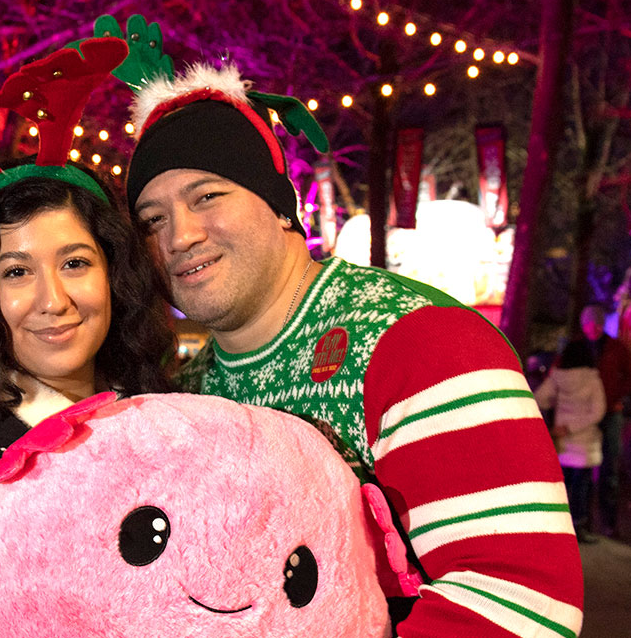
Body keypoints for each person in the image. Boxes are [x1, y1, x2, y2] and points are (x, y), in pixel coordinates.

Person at [127, 62, 584, 637]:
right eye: (152, 219)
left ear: (277, 202)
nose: (179, 236)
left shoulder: (419, 341)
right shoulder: (186, 393)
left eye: (207, 195)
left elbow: (518, 599)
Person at [0, 163, 174, 638]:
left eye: (75, 263)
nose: (54, 300)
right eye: (18, 271)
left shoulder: (172, 421)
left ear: (114, 273)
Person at [535, 340, 606, 543]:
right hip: (584, 442)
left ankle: (555, 525)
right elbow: (598, 411)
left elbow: (539, 397)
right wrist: (574, 427)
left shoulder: (557, 377)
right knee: (582, 486)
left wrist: (558, 418)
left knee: (561, 485)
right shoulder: (593, 380)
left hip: (562, 441)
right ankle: (578, 527)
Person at [582, 304, 631, 537]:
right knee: (582, 468)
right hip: (585, 414)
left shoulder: (616, 348)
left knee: (609, 469)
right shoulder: (580, 347)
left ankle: (608, 522)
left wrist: (618, 398)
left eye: (597, 324)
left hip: (610, 413)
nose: (593, 328)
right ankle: (582, 519)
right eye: (589, 324)